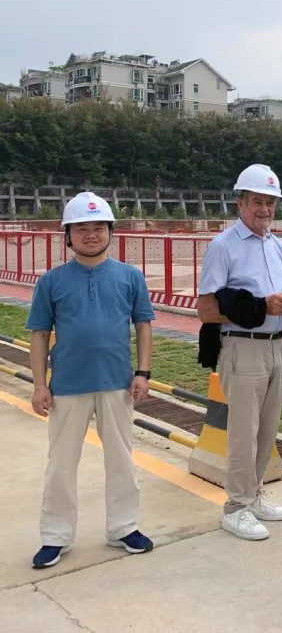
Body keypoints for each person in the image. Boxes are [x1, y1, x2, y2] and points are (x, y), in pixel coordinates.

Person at [27, 192, 156, 568]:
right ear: (67, 236)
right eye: (81, 228)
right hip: (66, 385)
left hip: (118, 382)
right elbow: (38, 333)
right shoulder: (52, 282)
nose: (91, 234)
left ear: (110, 231)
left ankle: (123, 527)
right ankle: (56, 536)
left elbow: (143, 325)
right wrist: (39, 383)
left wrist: (143, 372)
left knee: (122, 460)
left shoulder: (130, 277)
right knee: (61, 465)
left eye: (98, 227)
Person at [197, 164, 282, 541]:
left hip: (279, 345)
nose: (265, 209)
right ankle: (236, 507)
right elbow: (207, 309)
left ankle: (254, 492)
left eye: (271, 202)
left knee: (267, 428)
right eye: (257, 201)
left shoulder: (276, 245)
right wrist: (261, 307)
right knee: (244, 432)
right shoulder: (222, 247)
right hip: (244, 348)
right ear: (240, 202)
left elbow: (275, 294)